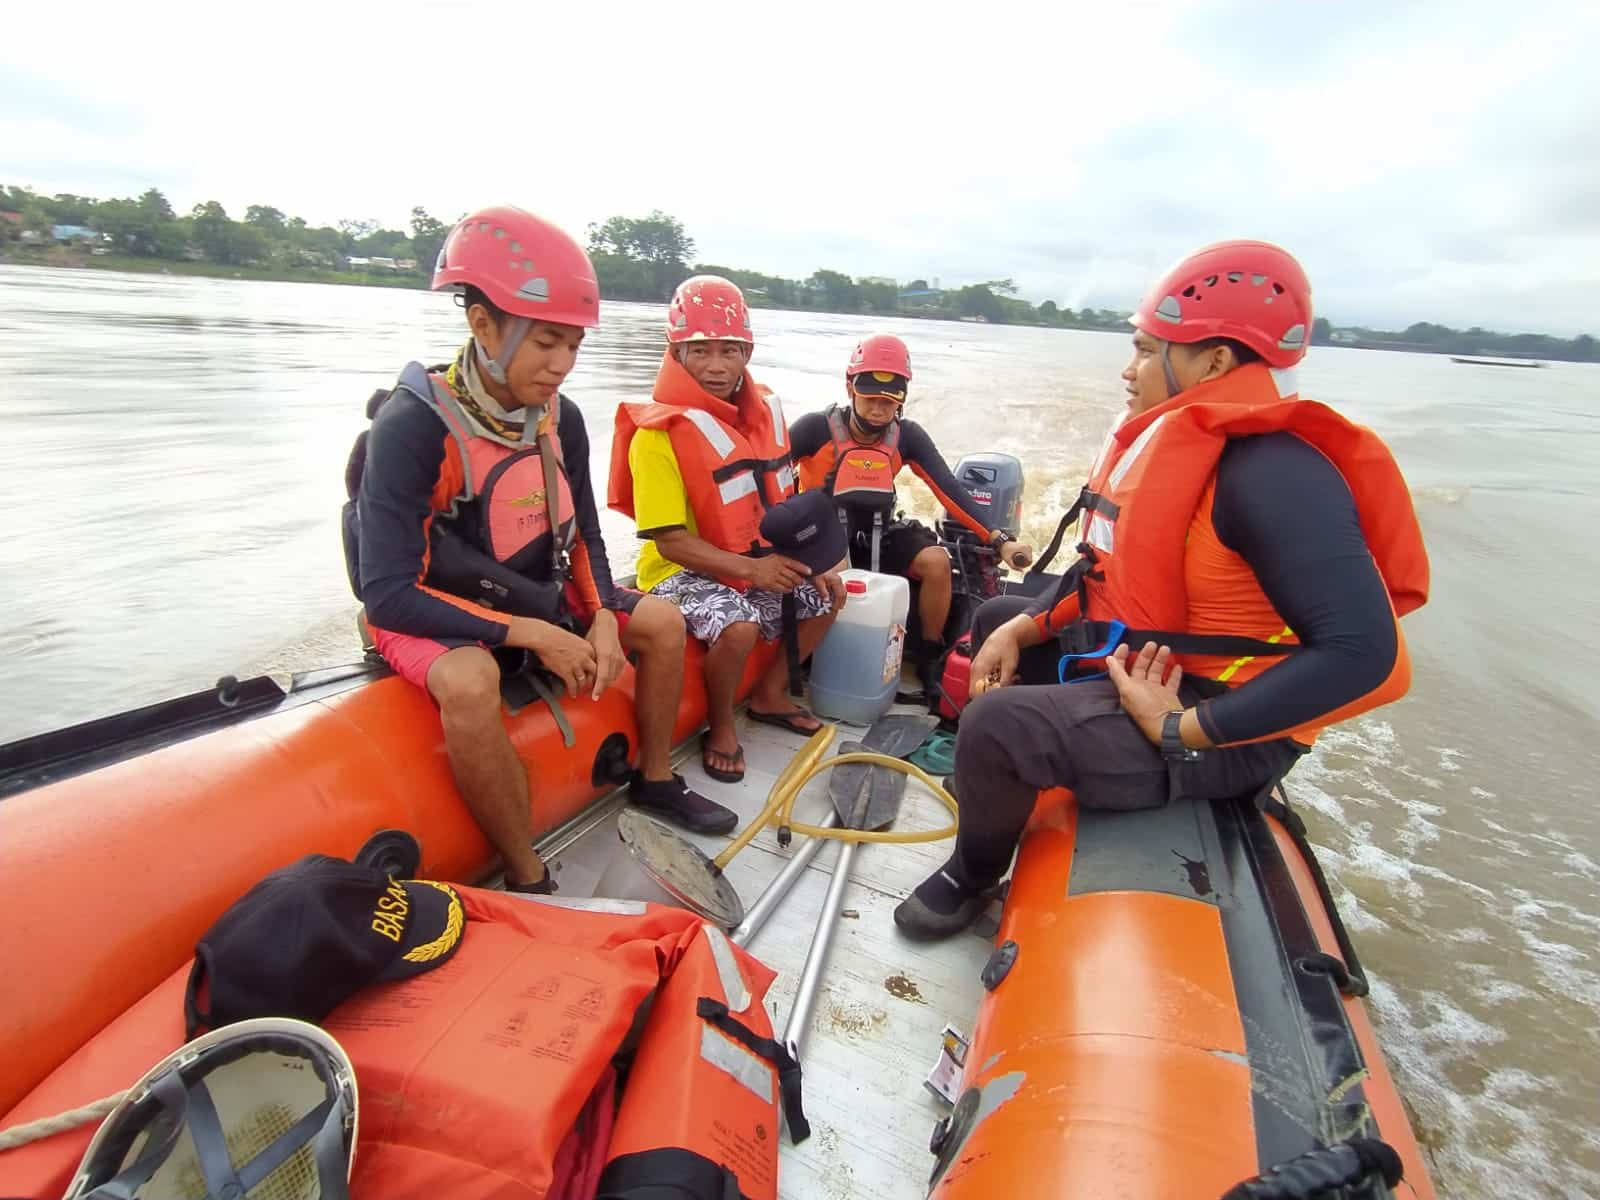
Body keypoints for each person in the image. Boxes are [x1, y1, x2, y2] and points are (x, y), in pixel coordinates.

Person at [894, 240, 1430, 939]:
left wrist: (1181, 727)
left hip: (1227, 718)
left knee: (997, 728)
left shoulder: (1273, 475)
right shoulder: (1181, 446)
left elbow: (1369, 656)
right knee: (1001, 610)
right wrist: (1019, 630)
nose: (1129, 369)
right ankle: (1010, 782)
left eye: (1147, 351)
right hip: (1159, 667)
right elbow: (1105, 576)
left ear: (1213, 361)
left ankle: (973, 872)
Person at [344, 207, 736, 898]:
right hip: (430, 606)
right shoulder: (412, 428)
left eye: (574, 347)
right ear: (483, 326)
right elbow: (387, 591)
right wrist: (529, 633)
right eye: (546, 344)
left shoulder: (563, 418)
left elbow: (583, 529)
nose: (561, 366)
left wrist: (603, 616)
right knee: (469, 684)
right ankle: (526, 869)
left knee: (662, 623)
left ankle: (653, 777)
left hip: (528, 588)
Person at [609, 276, 844, 785]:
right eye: (700, 351)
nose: (717, 366)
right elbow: (668, 541)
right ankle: (719, 727)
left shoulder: (762, 414)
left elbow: (783, 504)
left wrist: (812, 566)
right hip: (677, 573)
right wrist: (752, 572)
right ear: (676, 352)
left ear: (747, 352)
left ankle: (769, 694)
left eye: (730, 350)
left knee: (830, 596)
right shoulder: (657, 436)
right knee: (738, 625)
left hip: (750, 558)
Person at [790, 333, 1032, 688]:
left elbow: (949, 490)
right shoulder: (813, 429)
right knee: (837, 573)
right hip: (819, 537)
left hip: (878, 533)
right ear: (850, 388)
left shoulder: (908, 436)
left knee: (936, 562)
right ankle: (805, 661)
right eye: (870, 398)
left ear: (901, 400)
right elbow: (768, 477)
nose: (877, 409)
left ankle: (928, 656)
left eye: (888, 402)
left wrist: (999, 541)